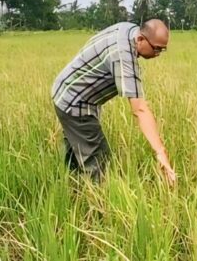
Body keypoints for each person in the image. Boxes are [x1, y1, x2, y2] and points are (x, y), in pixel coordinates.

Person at [51, 19, 176, 184]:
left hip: (65, 91)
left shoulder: (129, 29)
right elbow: (140, 109)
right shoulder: (123, 56)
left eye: (162, 50)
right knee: (99, 163)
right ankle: (98, 204)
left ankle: (70, 189)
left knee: (76, 153)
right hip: (75, 103)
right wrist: (160, 152)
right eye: (156, 49)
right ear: (140, 39)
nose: (158, 54)